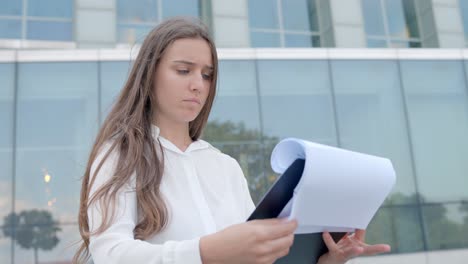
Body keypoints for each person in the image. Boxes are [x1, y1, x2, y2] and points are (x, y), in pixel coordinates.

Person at [73, 17, 390, 264]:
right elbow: (110, 255)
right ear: (149, 74)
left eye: (207, 74)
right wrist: (205, 251)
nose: (198, 84)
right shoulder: (119, 154)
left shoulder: (225, 167)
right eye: (184, 70)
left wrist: (325, 260)